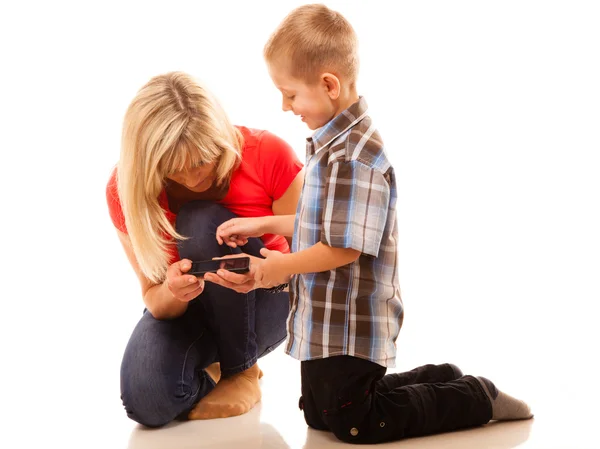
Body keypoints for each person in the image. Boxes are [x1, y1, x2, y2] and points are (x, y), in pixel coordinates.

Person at [215, 4, 533, 444]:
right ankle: (440, 377)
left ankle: (474, 396)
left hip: (350, 321)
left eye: (290, 94)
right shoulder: (330, 147)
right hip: (324, 319)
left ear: (329, 85)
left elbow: (344, 248)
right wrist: (261, 224)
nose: (284, 106)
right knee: (320, 416)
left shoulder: (354, 158)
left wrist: (277, 269)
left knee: (354, 421)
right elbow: (319, 223)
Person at [105, 71, 304, 426]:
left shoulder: (268, 154)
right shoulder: (126, 191)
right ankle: (214, 365)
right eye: (173, 170)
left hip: (268, 294)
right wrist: (173, 290)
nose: (194, 178)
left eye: (202, 161)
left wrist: (267, 274)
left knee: (199, 220)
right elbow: (155, 300)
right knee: (148, 402)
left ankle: (241, 370)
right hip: (193, 311)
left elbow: (323, 254)